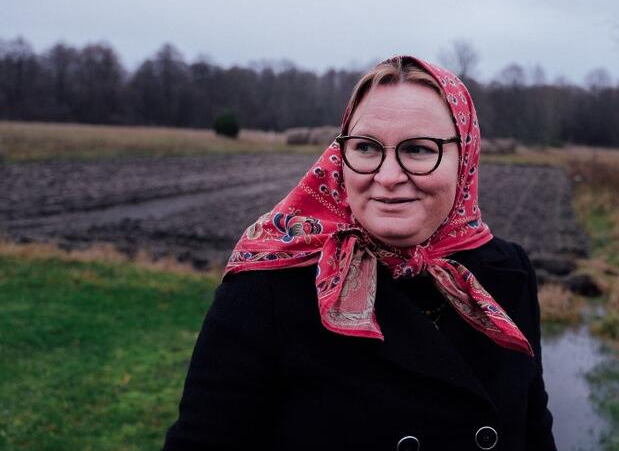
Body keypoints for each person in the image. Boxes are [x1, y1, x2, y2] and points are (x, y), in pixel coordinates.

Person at [163, 56, 556, 450]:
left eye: (419, 149)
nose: (386, 177)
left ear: (465, 158)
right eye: (366, 147)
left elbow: (534, 432)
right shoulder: (267, 288)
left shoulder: (506, 272)